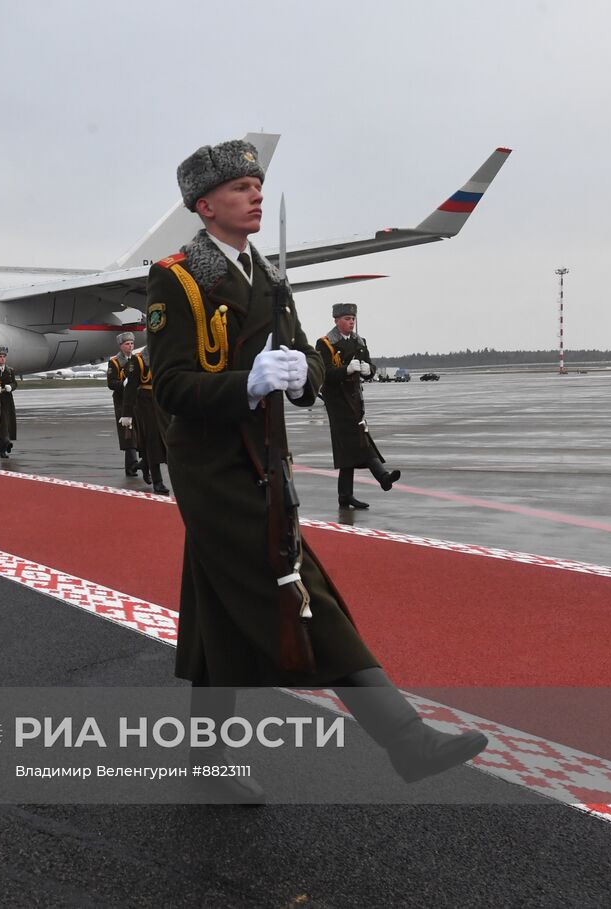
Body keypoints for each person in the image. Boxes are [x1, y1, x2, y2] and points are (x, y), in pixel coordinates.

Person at [145, 138, 486, 798]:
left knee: (218, 607)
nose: (255, 193)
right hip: (213, 470)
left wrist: (305, 374)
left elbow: (312, 357)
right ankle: (405, 739)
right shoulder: (179, 276)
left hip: (264, 462)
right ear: (204, 204)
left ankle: (205, 764)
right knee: (302, 594)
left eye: (257, 183)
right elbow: (172, 386)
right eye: (241, 186)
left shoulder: (267, 278)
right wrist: (247, 382)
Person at [316, 303, 400, 509]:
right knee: (358, 439)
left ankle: (345, 496)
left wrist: (367, 370)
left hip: (354, 399)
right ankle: (383, 477)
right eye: (346, 318)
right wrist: (346, 369)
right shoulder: (325, 344)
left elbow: (371, 366)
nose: (351, 322)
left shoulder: (359, 342)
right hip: (336, 400)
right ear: (336, 321)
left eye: (353, 318)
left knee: (348, 448)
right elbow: (324, 373)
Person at [121, 337, 171, 495]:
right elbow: (130, 387)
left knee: (166, 440)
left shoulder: (164, 357)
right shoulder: (138, 360)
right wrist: (127, 413)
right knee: (152, 440)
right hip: (144, 403)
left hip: (162, 401)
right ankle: (158, 481)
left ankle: (143, 464)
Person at [106, 332, 139, 476]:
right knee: (128, 432)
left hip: (136, 400)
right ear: (121, 345)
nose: (130, 346)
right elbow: (111, 383)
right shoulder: (114, 362)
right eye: (127, 344)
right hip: (121, 400)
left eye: (132, 343)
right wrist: (124, 384)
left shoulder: (137, 359)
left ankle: (134, 465)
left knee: (137, 431)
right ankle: (132, 466)